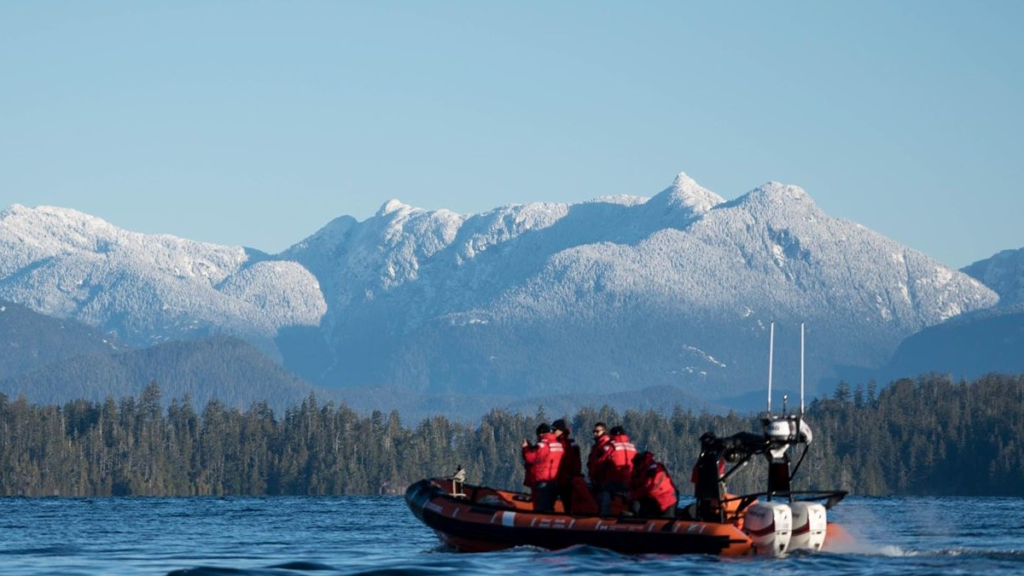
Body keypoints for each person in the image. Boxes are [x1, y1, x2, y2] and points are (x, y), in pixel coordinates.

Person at [521, 423, 565, 513]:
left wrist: (526, 448)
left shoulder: (542, 445)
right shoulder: (559, 445)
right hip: (555, 480)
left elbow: (530, 458)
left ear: (541, 434)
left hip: (542, 480)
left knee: (541, 507)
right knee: (550, 505)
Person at [629, 451, 678, 518]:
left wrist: (633, 495)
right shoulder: (640, 472)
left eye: (636, 463)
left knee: (666, 520)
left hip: (665, 501)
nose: (635, 465)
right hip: (654, 501)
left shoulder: (653, 469)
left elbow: (650, 486)